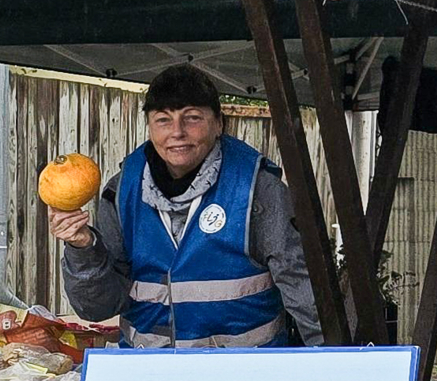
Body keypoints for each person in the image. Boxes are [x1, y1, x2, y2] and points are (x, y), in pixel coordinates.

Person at [49, 62, 324, 348]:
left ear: (218, 123)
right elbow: (97, 308)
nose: (177, 132)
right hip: (150, 378)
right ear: (150, 127)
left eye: (192, 118)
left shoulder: (259, 190)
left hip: (245, 380)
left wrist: (337, 368)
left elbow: (305, 293)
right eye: (163, 120)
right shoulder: (121, 192)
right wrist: (83, 248)